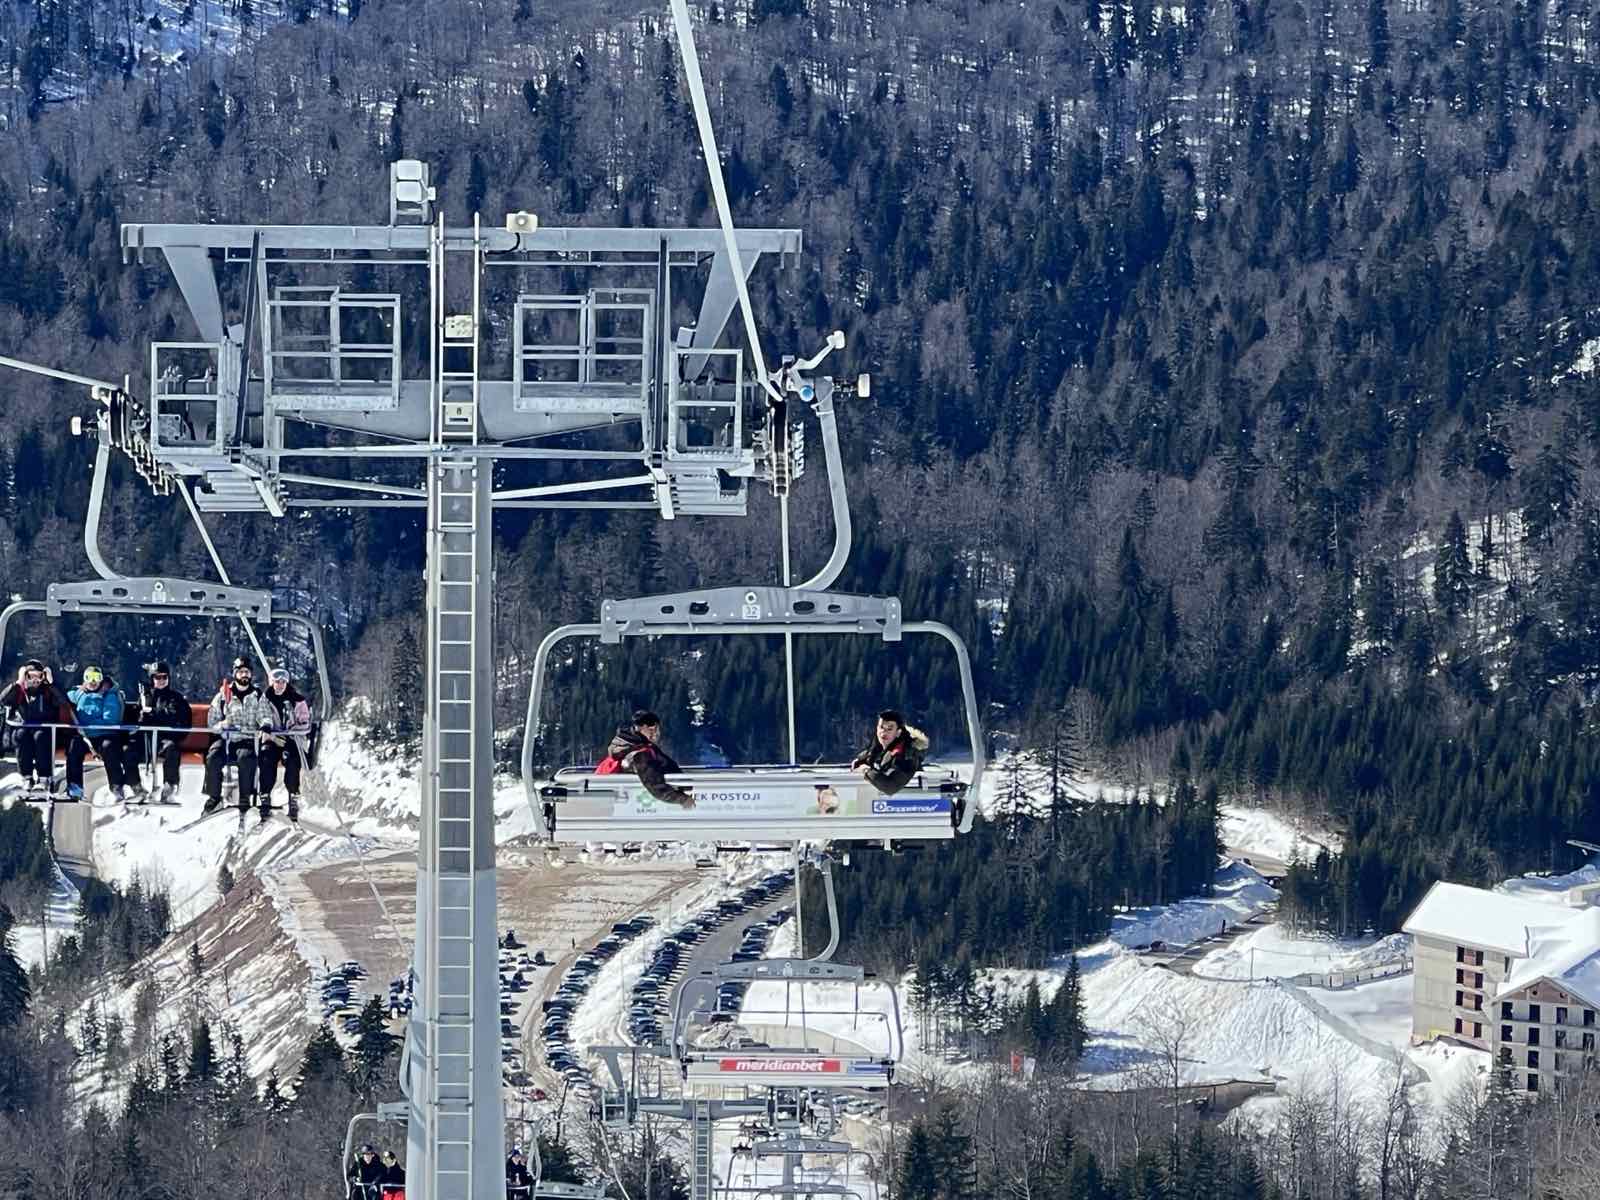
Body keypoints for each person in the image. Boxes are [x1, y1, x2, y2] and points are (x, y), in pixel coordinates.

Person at [204, 657, 272, 816]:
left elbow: (264, 714)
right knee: (213, 757)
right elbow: (212, 721)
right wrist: (222, 725)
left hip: (246, 738)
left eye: (247, 672)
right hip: (227, 738)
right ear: (235, 674)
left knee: (246, 758)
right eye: (241, 672)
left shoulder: (256, 695)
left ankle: (244, 797)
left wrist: (265, 725)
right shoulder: (223, 694)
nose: (244, 675)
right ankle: (214, 797)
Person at [597, 709, 694, 807]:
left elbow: (667, 764)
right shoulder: (637, 755)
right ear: (640, 728)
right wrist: (683, 799)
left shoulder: (645, 747)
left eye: (656, 729)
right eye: (651, 729)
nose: (655, 733)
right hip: (606, 800)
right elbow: (654, 784)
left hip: (614, 799)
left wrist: (686, 785)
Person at [66, 665, 135, 802]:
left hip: (105, 735)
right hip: (86, 737)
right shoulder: (80, 693)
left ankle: (116, 786)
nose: (92, 682)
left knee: (109, 748)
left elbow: (110, 720)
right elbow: (65, 695)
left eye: (96, 678)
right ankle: (75, 786)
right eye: (89, 678)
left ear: (101, 680)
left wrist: (89, 725)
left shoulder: (109, 695)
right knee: (74, 746)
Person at [1, 659, 68, 794]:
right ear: (26, 676)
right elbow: (4, 700)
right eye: (31, 676)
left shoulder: (48, 691)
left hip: (45, 727)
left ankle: (44, 777)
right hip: (25, 727)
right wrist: (18, 683)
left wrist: (51, 684)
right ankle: (27, 776)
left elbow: (62, 701)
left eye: (39, 676)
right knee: (20, 736)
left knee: (40, 737)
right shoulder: (20, 691)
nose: (35, 680)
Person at [258, 667, 311, 822]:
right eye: (276, 682)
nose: (280, 685)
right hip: (273, 739)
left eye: (282, 682)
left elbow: (305, 723)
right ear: (271, 683)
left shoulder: (297, 700)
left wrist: (292, 730)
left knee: (293, 760)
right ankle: (265, 795)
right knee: (267, 758)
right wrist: (268, 730)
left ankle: (293, 795)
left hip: (291, 739)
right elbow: (261, 717)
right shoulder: (265, 699)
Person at [134, 661, 191, 804]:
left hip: (164, 739)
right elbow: (135, 719)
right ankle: (135, 787)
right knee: (128, 751)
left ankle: (169, 787)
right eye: (157, 677)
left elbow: (176, 717)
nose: (161, 681)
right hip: (147, 739)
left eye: (164, 677)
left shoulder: (175, 698)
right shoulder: (145, 698)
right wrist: (141, 717)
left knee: (172, 748)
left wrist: (154, 713)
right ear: (151, 679)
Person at [849, 709, 928, 796]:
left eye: (889, 729)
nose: (884, 732)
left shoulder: (907, 755)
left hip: (906, 803)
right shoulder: (878, 748)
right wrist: (859, 761)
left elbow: (891, 787)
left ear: (898, 732)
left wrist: (866, 770)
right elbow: (866, 757)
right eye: (881, 727)